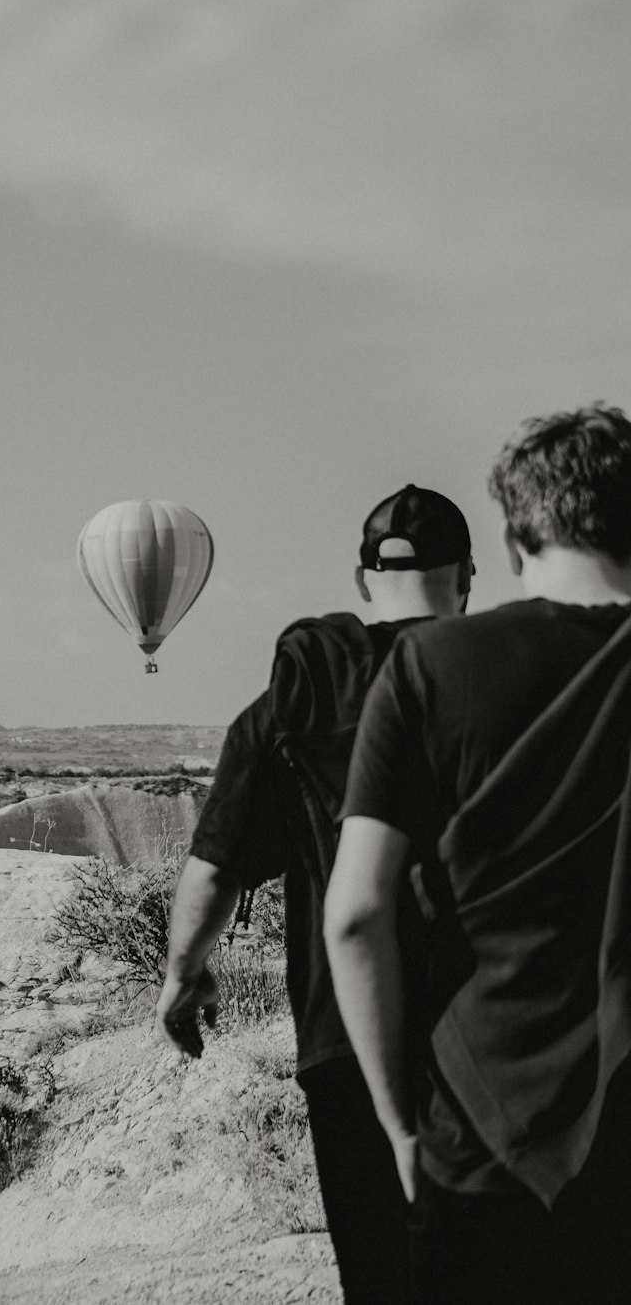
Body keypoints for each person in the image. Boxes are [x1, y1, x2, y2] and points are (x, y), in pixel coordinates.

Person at [325, 403, 631, 1305]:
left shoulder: (430, 671)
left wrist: (397, 1126)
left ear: (508, 537)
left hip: (478, 1125)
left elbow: (354, 915)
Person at [156, 484, 473, 1305]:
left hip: (343, 1038)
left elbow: (216, 864)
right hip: (487, 1033)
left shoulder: (298, 699)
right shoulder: (500, 683)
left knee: (381, 1277)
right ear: (468, 577)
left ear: (364, 580)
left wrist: (182, 972)